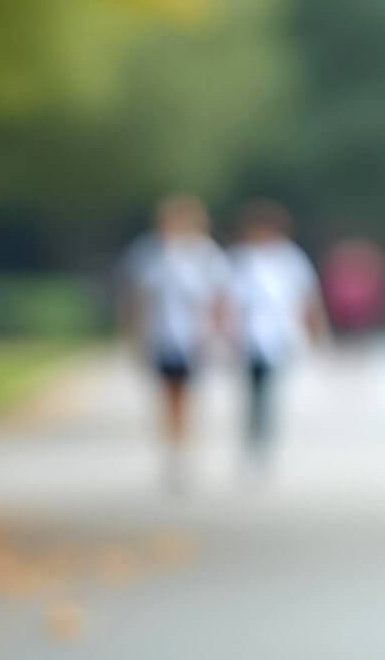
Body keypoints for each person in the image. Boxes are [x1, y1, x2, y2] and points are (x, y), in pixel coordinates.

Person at [121, 195, 231, 491]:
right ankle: (173, 448)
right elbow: (137, 298)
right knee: (167, 395)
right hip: (161, 336)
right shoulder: (150, 253)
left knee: (188, 395)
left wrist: (220, 334)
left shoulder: (207, 254)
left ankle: (184, 447)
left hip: (195, 338)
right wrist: (134, 334)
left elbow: (218, 297)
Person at [226, 199, 326, 467]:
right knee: (252, 387)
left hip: (280, 333)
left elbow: (306, 297)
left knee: (269, 388)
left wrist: (314, 331)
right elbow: (227, 299)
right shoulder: (241, 259)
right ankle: (253, 435)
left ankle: (263, 436)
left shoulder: (290, 258)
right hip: (248, 334)